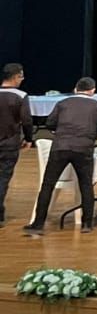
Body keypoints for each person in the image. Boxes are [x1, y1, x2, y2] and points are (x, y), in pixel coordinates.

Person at [22, 77, 97, 236]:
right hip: (84, 148)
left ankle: (38, 224)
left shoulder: (63, 103)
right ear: (92, 91)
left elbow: (50, 123)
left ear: (76, 89)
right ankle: (87, 223)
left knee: (48, 185)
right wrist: (91, 133)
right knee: (86, 184)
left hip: (60, 146)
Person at [0, 62, 34, 227]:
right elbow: (27, 120)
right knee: (3, 177)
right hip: (9, 143)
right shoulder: (20, 96)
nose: (22, 79)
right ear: (15, 77)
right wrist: (29, 138)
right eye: (21, 76)